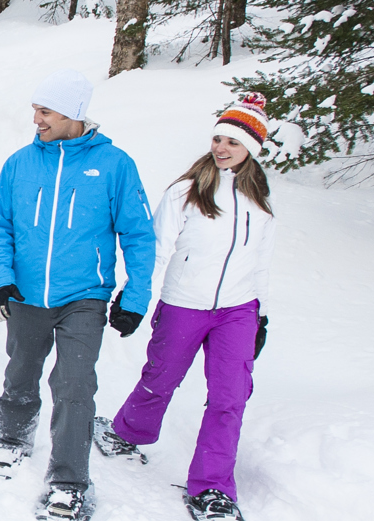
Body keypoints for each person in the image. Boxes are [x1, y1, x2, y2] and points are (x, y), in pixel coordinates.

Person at [91, 93, 277, 521]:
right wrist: (134, 295)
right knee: (162, 377)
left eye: (232, 142)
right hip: (184, 304)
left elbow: (261, 263)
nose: (221, 148)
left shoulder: (260, 202)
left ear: (251, 150)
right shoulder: (187, 191)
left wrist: (261, 314)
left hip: (238, 309)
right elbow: (154, 250)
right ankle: (126, 433)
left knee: (230, 398)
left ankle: (212, 488)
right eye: (218, 138)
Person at [0, 69, 156, 521]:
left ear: (74, 115)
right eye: (35, 110)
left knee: (75, 384)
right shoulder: (20, 163)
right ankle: (13, 438)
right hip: (25, 294)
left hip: (84, 296)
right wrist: (1, 278)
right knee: (21, 372)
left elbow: (138, 234)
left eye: (45, 111)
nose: (36, 119)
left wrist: (135, 297)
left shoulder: (115, 165)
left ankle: (69, 482)